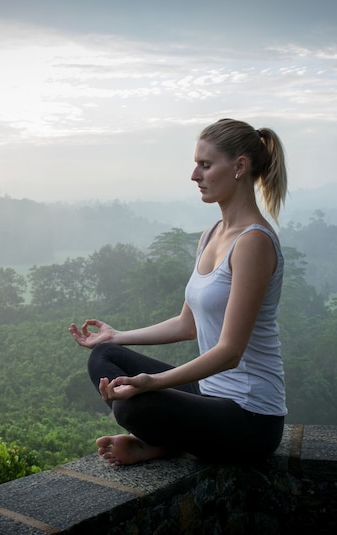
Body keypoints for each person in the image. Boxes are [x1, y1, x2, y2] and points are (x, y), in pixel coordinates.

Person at [69, 118, 288, 466]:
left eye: (205, 165)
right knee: (105, 357)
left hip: (250, 418)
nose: (194, 175)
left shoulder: (254, 243)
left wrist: (153, 382)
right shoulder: (211, 234)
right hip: (210, 395)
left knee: (131, 403)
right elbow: (188, 324)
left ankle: (161, 443)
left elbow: (230, 353)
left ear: (239, 167)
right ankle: (167, 440)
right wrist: (118, 335)